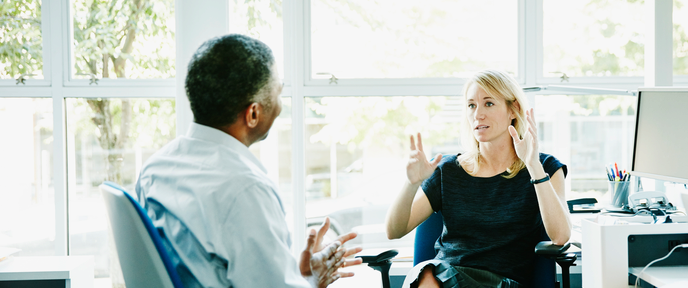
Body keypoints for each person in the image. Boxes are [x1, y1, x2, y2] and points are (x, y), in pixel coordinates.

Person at [135, 34, 362, 288]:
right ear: (253, 113)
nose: (280, 106)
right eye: (279, 93)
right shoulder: (246, 190)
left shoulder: (154, 169)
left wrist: (297, 277)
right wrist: (311, 281)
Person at [385, 70, 572, 288]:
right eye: (471, 105)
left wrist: (533, 165)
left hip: (501, 282)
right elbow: (394, 231)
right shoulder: (447, 170)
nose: (478, 114)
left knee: (428, 276)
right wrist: (411, 184)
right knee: (427, 273)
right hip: (444, 277)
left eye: (488, 103)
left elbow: (560, 237)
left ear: (513, 109)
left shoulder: (545, 167)